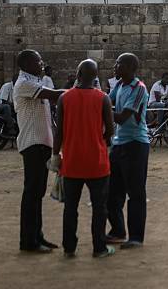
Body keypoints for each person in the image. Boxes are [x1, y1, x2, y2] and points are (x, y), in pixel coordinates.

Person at [53, 59, 115, 258]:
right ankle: (99, 248)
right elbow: (110, 130)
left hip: (72, 162)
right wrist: (100, 142)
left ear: (78, 74)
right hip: (97, 162)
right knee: (99, 208)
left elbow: (59, 132)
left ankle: (69, 247)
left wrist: (56, 155)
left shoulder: (64, 98)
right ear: (95, 77)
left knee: (70, 208)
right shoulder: (103, 98)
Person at [13, 50, 64, 253]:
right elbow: (53, 95)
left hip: (41, 144)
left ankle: (37, 236)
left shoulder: (34, 81)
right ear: (26, 63)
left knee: (37, 193)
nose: (42, 63)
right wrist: (82, 91)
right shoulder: (24, 84)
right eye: (38, 60)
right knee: (32, 193)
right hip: (33, 145)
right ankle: (28, 241)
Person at [106, 53, 150, 249]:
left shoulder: (139, 89)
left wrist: (99, 109)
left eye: (119, 64)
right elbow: (106, 102)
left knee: (135, 193)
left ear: (131, 67)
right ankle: (117, 231)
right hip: (119, 144)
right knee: (112, 192)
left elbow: (123, 117)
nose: (115, 66)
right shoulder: (119, 86)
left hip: (135, 144)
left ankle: (136, 237)